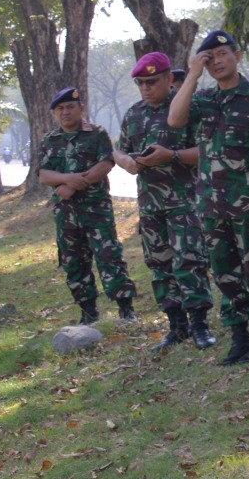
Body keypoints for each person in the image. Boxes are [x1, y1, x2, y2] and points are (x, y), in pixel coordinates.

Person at [167, 30, 249, 365]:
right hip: (211, 204)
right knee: (223, 269)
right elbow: (175, 119)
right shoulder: (204, 100)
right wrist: (192, 74)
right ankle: (239, 333)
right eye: (210, 58)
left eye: (222, 54)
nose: (217, 62)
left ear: (237, 55)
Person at [114, 52, 216, 351]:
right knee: (159, 264)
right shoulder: (134, 114)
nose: (146, 88)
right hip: (150, 205)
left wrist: (171, 156)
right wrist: (126, 161)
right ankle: (176, 325)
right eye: (140, 83)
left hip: (185, 202)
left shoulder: (186, 109)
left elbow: (208, 151)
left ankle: (199, 324)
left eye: (152, 82)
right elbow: (119, 149)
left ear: (169, 79)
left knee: (190, 260)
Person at [38, 87, 138, 325]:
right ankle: (88, 312)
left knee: (109, 256)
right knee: (73, 262)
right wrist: (66, 179)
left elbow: (106, 164)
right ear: (54, 113)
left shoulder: (97, 134)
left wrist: (73, 186)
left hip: (96, 210)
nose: (65, 112)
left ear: (81, 109)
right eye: (60, 109)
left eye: (70, 107)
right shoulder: (49, 140)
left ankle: (126, 309)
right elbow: (43, 174)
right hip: (66, 214)